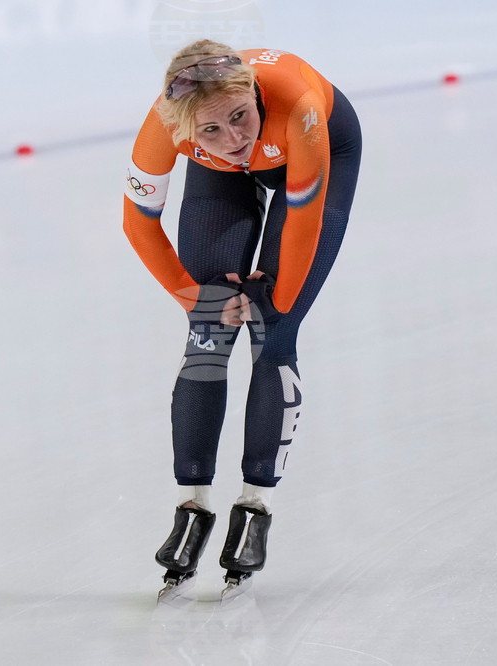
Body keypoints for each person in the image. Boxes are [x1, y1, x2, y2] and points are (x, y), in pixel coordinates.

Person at [122, 39, 362, 598]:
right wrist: (191, 297)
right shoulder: (164, 126)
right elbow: (138, 224)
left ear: (254, 94)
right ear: (183, 129)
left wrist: (275, 299)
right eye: (211, 131)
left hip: (318, 150)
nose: (235, 138)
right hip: (222, 179)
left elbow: (303, 222)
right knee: (209, 331)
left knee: (273, 329)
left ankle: (256, 508)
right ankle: (192, 510)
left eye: (239, 116)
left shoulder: (295, 105)